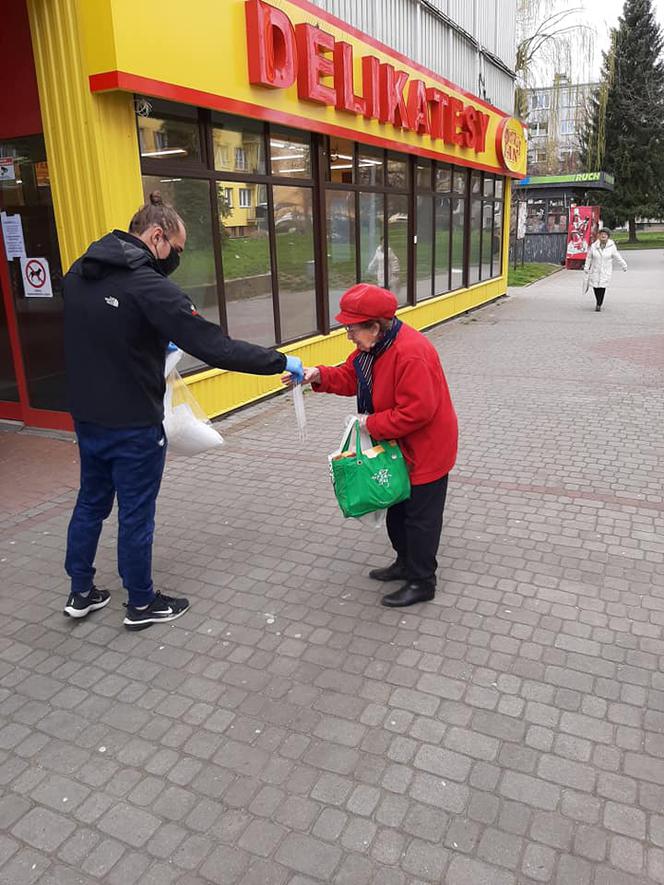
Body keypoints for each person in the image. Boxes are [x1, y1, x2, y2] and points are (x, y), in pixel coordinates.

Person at [62, 191, 303, 630]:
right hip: (134, 422)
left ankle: (81, 592)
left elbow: (103, 331)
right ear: (156, 236)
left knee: (91, 502)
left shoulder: (79, 271)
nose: (176, 257)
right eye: (176, 249)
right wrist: (280, 361)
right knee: (136, 513)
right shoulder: (149, 286)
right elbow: (216, 346)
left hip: (87, 415)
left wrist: (150, 338)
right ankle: (140, 603)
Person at [299, 283, 458, 608]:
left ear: (374, 326)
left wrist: (369, 424)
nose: (348, 336)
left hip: (425, 451)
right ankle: (404, 562)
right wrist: (317, 375)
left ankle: (422, 580)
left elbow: (418, 411)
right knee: (397, 510)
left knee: (420, 519)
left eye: (351, 328)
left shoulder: (411, 352)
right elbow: (351, 376)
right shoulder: (373, 349)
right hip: (398, 448)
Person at [584, 227, 627, 311]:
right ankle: (598, 300)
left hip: (605, 270)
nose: (603, 236)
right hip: (595, 270)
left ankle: (599, 304)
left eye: (605, 234)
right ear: (599, 236)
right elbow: (589, 257)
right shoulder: (594, 246)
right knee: (595, 286)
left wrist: (623, 265)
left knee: (602, 286)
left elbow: (617, 256)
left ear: (608, 236)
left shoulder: (611, 246)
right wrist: (586, 267)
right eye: (602, 234)